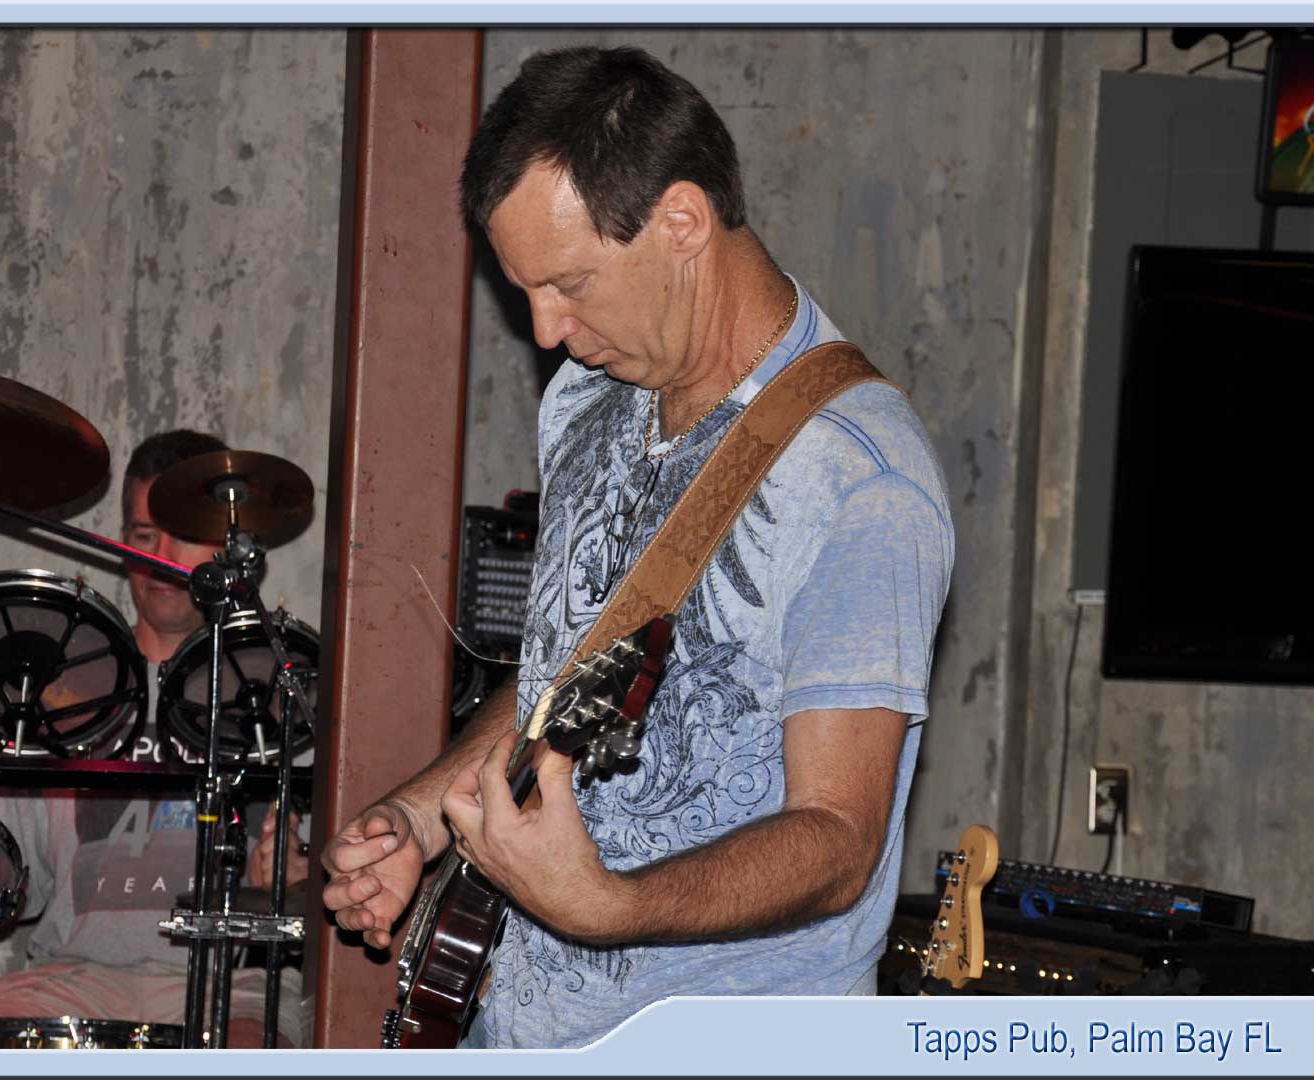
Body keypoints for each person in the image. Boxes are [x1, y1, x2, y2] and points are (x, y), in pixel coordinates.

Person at [322, 46, 956, 1049]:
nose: (544, 330)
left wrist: (606, 905)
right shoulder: (590, 396)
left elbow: (840, 841)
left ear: (682, 222)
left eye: (569, 283)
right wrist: (425, 814)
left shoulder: (860, 477)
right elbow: (566, 671)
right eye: (524, 289)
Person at [0, 429, 313, 1048]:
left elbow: (315, 896)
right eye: (143, 534)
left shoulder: (276, 689)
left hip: (229, 980)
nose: (161, 554)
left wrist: (291, 881)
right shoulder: (60, 693)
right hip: (72, 976)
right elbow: (11, 889)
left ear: (227, 545)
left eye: (183, 532)